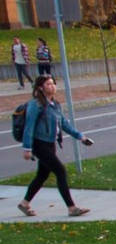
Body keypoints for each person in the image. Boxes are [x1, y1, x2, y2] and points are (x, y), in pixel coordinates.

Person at [18, 76, 93, 217]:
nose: (52, 86)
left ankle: (24, 203)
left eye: (53, 83)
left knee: (42, 175)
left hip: (50, 144)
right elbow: (29, 127)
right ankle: (72, 207)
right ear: (40, 87)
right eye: (48, 84)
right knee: (60, 171)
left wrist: (81, 137)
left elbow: (64, 124)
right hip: (39, 145)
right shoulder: (36, 105)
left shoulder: (55, 104)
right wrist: (27, 148)